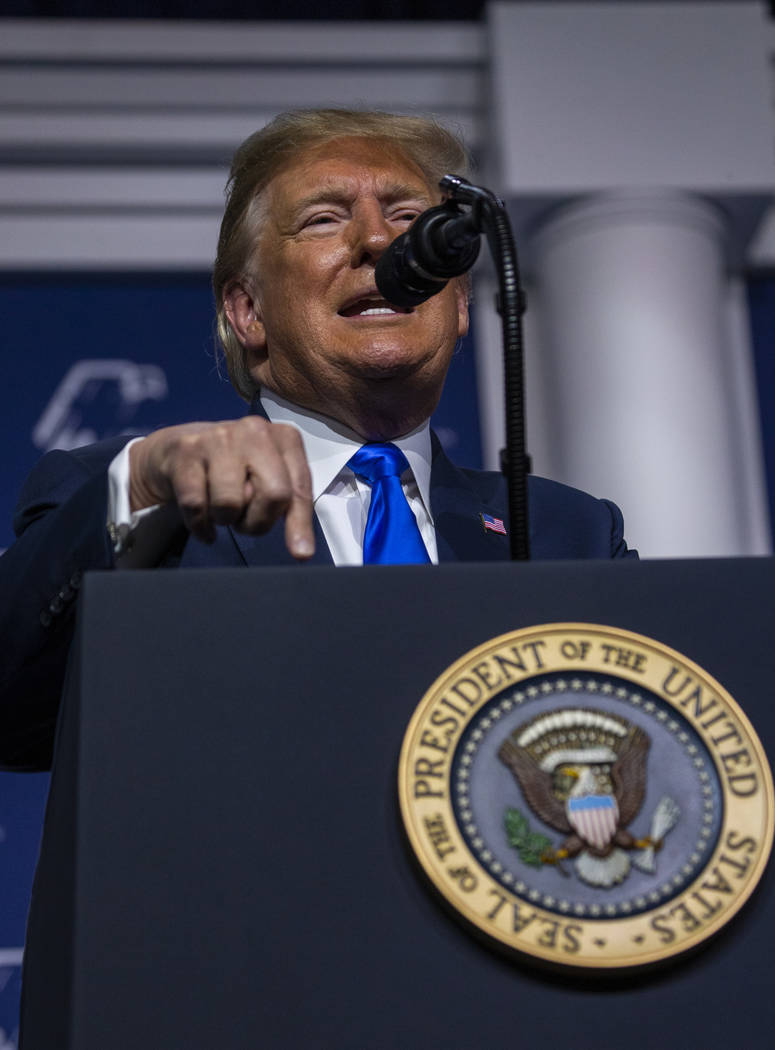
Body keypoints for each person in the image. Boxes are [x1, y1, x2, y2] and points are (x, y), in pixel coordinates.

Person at [0, 108, 636, 772]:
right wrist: (141, 488)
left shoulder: (572, 534)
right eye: (324, 220)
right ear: (247, 311)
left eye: (409, 221)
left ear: (459, 303)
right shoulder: (135, 497)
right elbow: (11, 715)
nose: (377, 242)